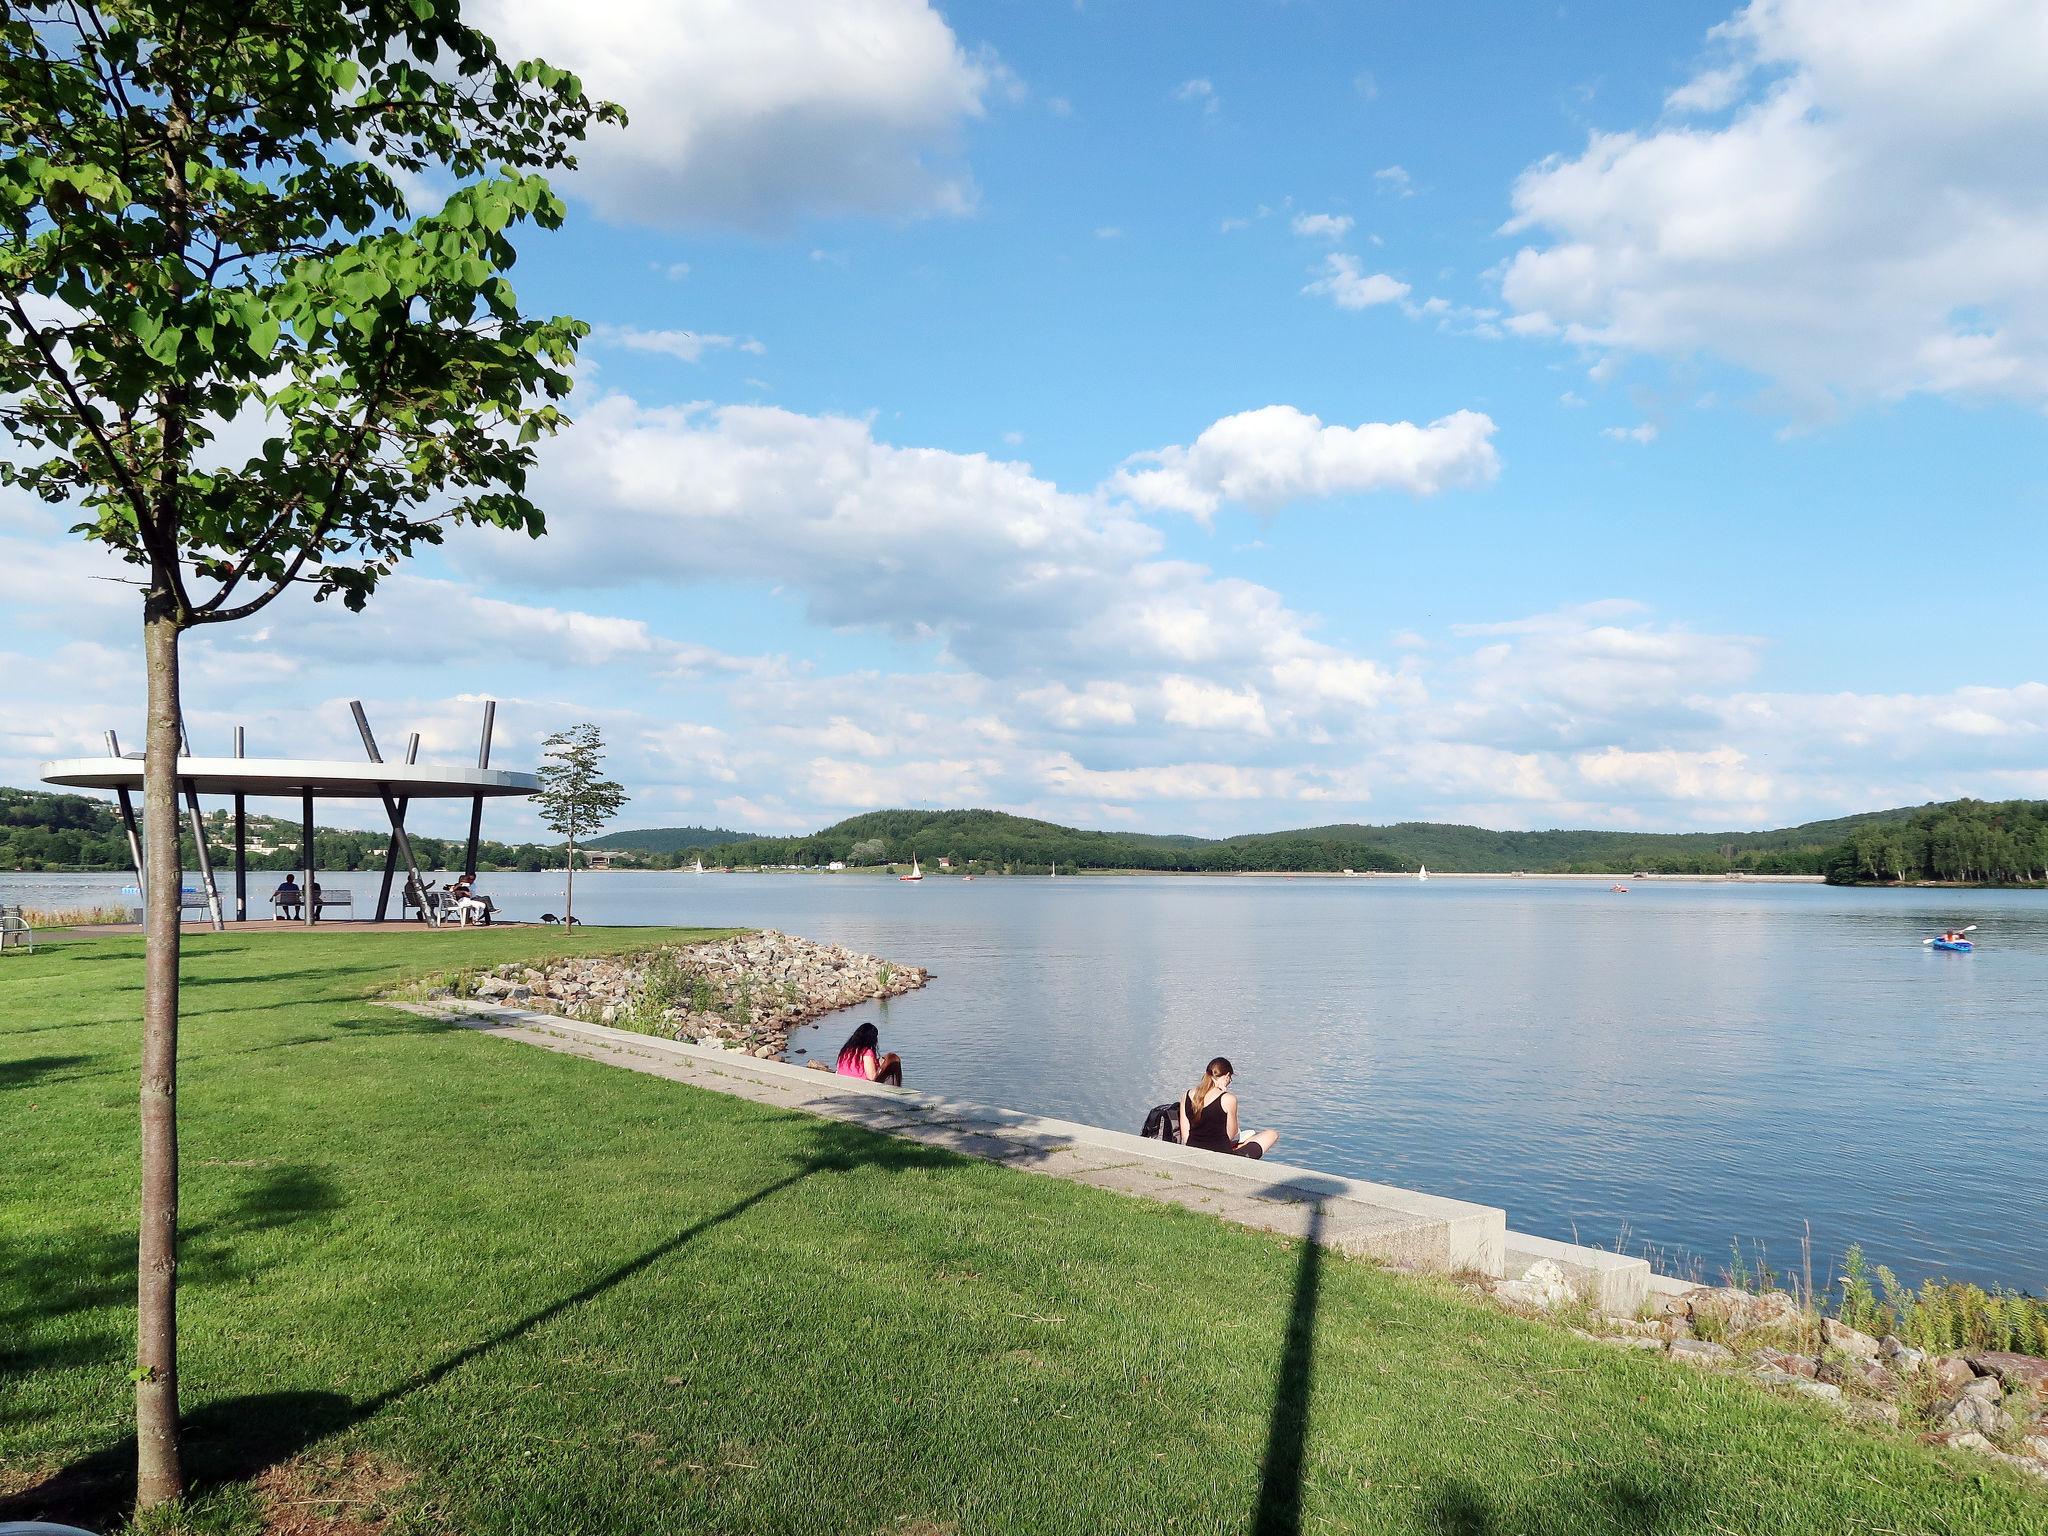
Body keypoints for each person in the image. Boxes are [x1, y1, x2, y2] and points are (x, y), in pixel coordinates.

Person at [1178, 1056, 1280, 1160]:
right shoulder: (1228, 1099)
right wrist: (1223, 1093)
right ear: (1227, 1076)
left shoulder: (1186, 1095)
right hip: (1223, 1157)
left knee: (1244, 1141)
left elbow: (1185, 1136)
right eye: (1230, 1079)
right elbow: (1232, 1134)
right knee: (1271, 1134)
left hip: (1193, 1151)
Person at [835, 1021, 903, 1086]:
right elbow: (871, 1077)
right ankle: (896, 1086)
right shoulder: (866, 1052)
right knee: (892, 1060)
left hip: (842, 1081)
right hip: (859, 1085)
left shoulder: (846, 1050)